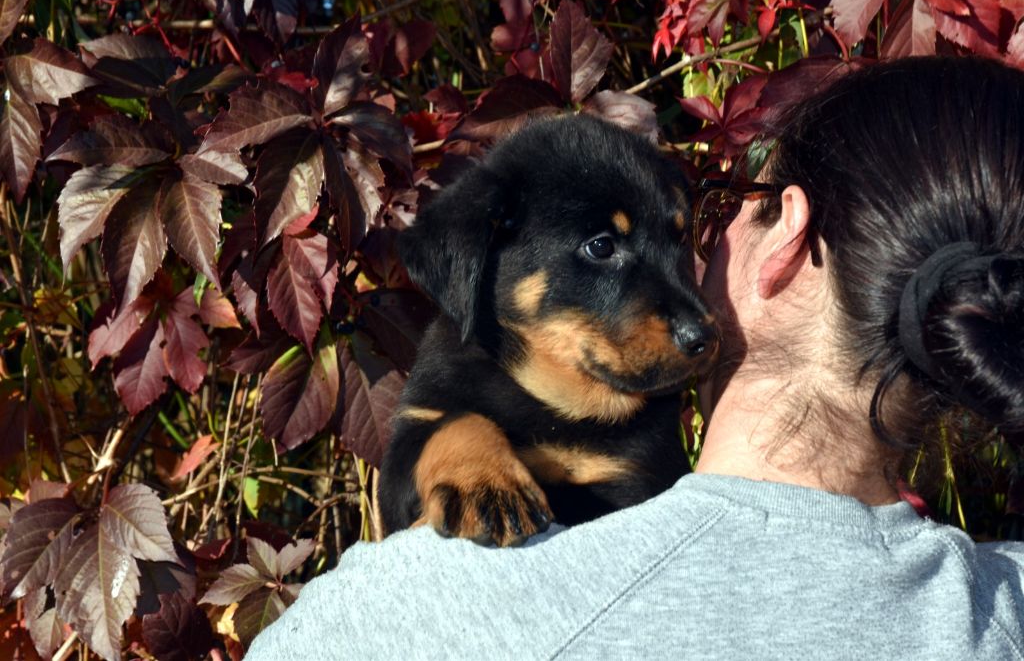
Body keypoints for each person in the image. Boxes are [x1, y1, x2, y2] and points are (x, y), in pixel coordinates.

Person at [247, 56, 1024, 660]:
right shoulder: (1002, 609)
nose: (694, 270)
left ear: (785, 236)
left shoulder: (417, 616)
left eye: (733, 206)